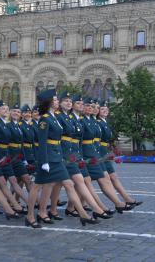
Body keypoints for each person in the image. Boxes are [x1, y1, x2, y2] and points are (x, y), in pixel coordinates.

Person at [26, 89, 98, 228]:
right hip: (48, 158)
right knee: (36, 187)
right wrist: (44, 161)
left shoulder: (53, 117)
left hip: (57, 157)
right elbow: (42, 142)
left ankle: (82, 215)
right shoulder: (45, 119)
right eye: (55, 100)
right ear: (49, 102)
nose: (57, 101)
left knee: (68, 184)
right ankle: (30, 216)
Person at [49, 92, 112, 220]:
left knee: (64, 183)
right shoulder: (58, 116)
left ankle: (56, 209)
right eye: (65, 101)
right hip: (65, 154)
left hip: (74, 153)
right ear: (60, 103)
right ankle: (95, 209)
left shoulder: (70, 118)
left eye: (70, 101)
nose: (68, 103)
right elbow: (57, 138)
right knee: (65, 182)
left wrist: (80, 156)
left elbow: (78, 139)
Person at [81, 98, 133, 213]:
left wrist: (112, 150)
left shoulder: (94, 121)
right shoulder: (88, 120)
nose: (94, 109)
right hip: (90, 154)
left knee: (93, 180)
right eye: (92, 107)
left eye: (96, 107)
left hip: (97, 152)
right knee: (84, 181)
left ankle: (119, 202)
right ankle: (109, 205)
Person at [97, 101, 142, 207]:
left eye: (106, 109)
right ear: (98, 111)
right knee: (100, 180)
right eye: (102, 109)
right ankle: (118, 202)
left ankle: (127, 199)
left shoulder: (105, 122)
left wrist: (114, 152)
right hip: (100, 153)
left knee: (113, 177)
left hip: (105, 151)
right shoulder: (98, 123)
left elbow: (109, 140)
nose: (105, 111)